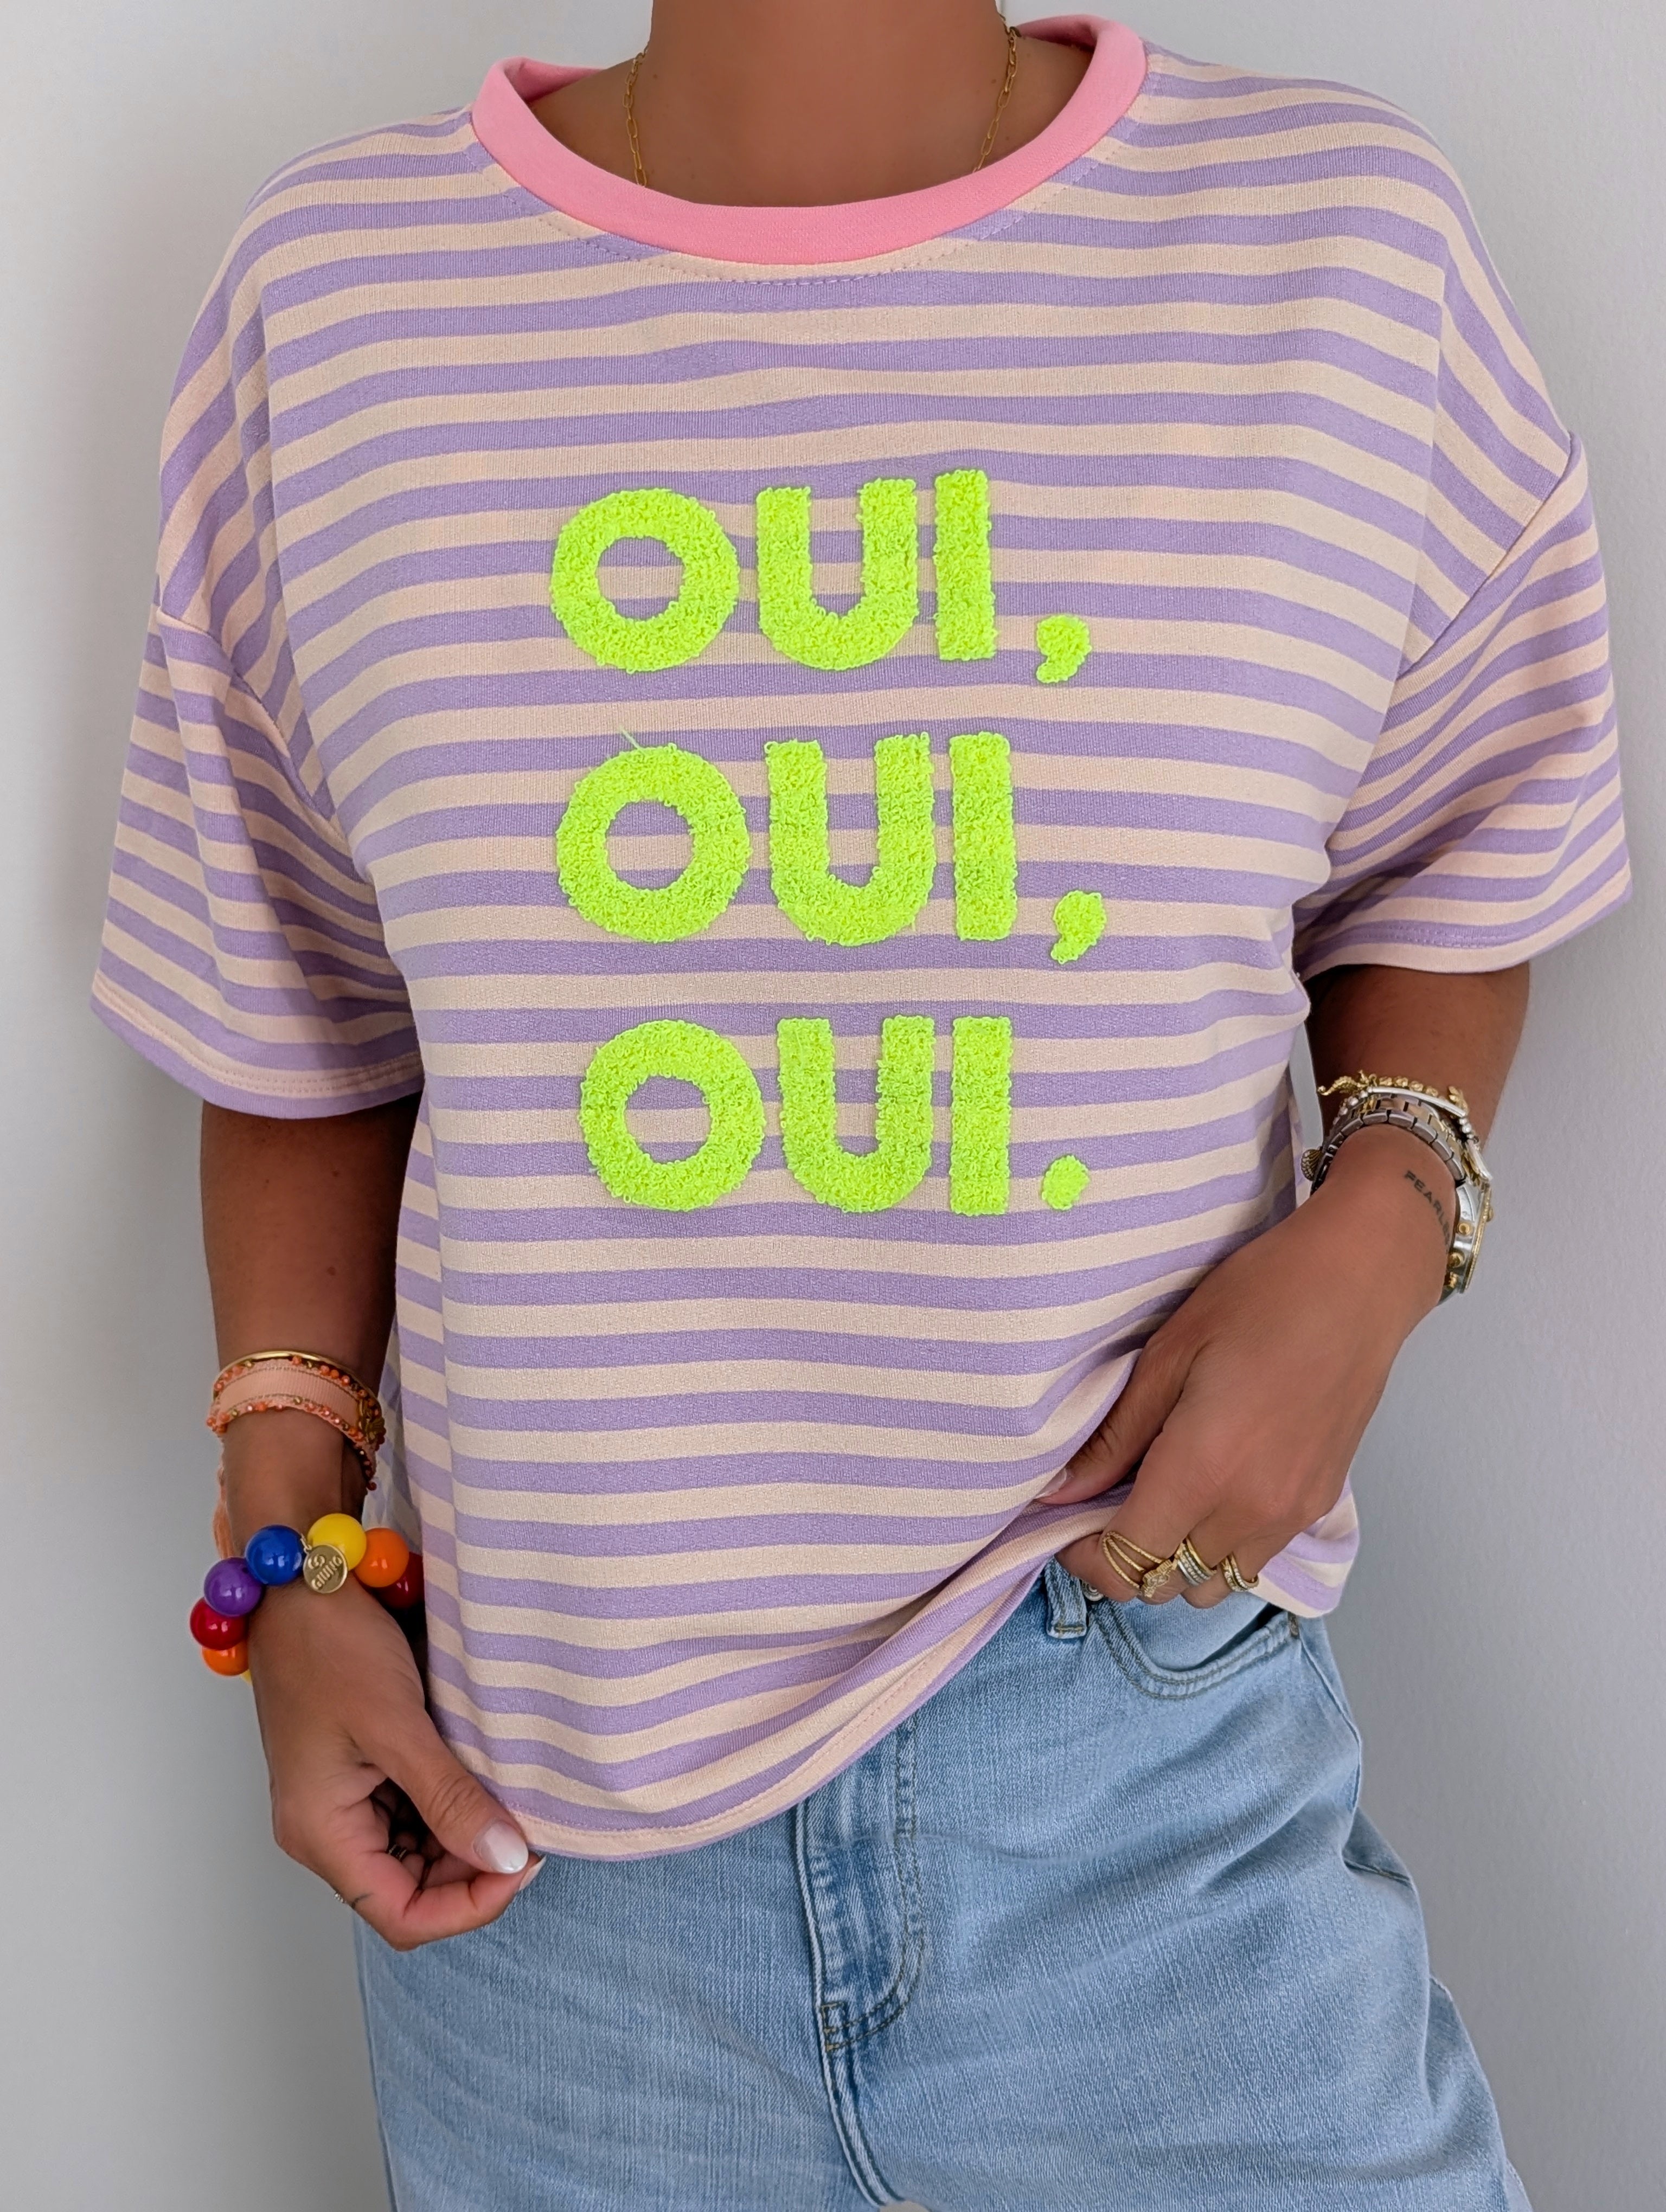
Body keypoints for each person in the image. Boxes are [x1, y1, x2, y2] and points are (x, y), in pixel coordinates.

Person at [95, 4, 1627, 2205]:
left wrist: (1387, 1224)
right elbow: (300, 999)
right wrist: (289, 1558)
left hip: (1142, 1755)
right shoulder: (341, 301)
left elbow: (1466, 840)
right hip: (540, 1871)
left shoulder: (1329, 249)